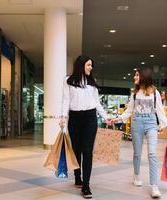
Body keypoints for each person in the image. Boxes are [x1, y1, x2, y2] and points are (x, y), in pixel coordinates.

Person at [112, 67, 167, 198]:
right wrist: (117, 119)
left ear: (143, 76)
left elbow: (160, 112)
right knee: (137, 153)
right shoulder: (134, 94)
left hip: (151, 123)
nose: (134, 77)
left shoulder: (155, 93)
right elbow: (129, 111)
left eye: (136, 75)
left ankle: (154, 186)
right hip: (137, 123)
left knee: (152, 154)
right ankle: (136, 176)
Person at [59, 55, 111, 199]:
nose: (91, 67)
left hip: (90, 118)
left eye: (91, 65)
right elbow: (66, 100)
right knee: (76, 149)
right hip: (74, 118)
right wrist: (63, 117)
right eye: (89, 65)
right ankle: (77, 177)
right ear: (81, 65)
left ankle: (86, 186)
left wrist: (106, 117)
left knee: (87, 150)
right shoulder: (68, 80)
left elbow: (97, 103)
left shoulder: (92, 83)